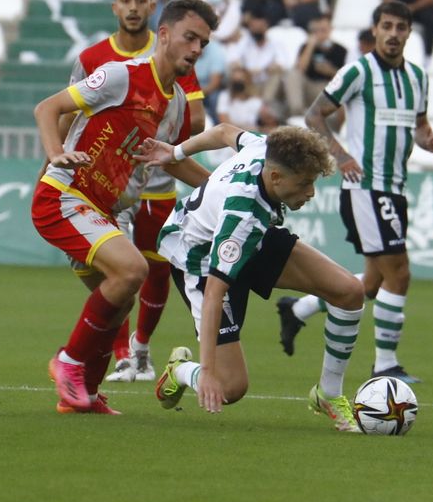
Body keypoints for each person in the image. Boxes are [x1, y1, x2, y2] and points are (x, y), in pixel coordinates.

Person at [28, 0, 215, 414]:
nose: (196, 49)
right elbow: (48, 107)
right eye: (190, 38)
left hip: (103, 212)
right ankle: (69, 362)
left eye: (203, 43)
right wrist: (55, 151)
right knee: (133, 270)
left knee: (121, 297)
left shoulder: (178, 105)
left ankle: (85, 397)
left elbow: (175, 160)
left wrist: (224, 188)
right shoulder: (119, 76)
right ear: (163, 34)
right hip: (64, 195)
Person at [145, 124, 367, 430]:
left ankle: (328, 394)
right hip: (199, 259)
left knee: (350, 292)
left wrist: (177, 152)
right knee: (229, 388)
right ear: (276, 177)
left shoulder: (266, 148)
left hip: (247, 236)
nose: (311, 193)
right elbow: (213, 292)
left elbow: (223, 131)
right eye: (303, 184)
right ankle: (181, 371)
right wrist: (206, 370)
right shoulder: (243, 217)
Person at [283, 1, 433, 382]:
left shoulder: (417, 78)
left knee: (372, 282)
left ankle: (298, 310)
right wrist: (341, 156)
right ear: (375, 30)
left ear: (408, 33)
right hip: (367, 188)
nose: (393, 33)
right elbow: (313, 115)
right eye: (386, 26)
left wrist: (429, 140)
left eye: (400, 27)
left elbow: (418, 126)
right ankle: (385, 364)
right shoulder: (358, 72)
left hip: (395, 188)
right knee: (399, 274)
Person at [73, 0, 207, 384]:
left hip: (159, 181)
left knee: (154, 268)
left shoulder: (177, 50)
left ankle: (141, 351)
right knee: (120, 271)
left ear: (152, 6)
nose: (133, 8)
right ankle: (122, 354)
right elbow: (72, 113)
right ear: (115, 6)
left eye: (140, 0)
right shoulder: (95, 59)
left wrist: (160, 139)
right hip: (108, 183)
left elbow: (196, 118)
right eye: (125, 0)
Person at [285, 14, 346, 119]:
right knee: (292, 74)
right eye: (316, 31)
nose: (319, 34)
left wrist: (330, 71)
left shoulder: (340, 50)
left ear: (330, 30)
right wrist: (310, 46)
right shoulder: (305, 47)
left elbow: (344, 78)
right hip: (308, 86)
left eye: (323, 30)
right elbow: (300, 69)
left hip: (325, 88)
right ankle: (296, 111)